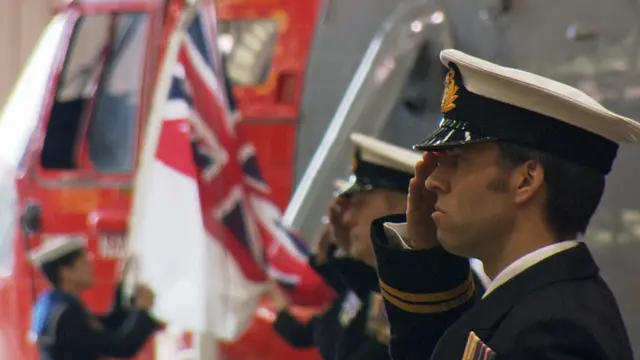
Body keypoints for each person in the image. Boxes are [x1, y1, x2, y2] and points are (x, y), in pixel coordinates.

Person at [369, 48, 640, 360]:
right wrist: (426, 255)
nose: (432, 182)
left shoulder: (553, 334)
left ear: (526, 181)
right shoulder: (542, 304)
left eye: (457, 160)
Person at [267, 133, 489, 360]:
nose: (347, 218)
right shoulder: (398, 285)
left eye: (360, 204)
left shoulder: (441, 290)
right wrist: (350, 258)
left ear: (406, 206)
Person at [29, 236, 162, 360]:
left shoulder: (55, 305)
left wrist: (122, 286)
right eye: (84, 262)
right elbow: (121, 347)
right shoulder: (66, 315)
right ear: (66, 272)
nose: (91, 267)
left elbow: (109, 326)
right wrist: (143, 310)